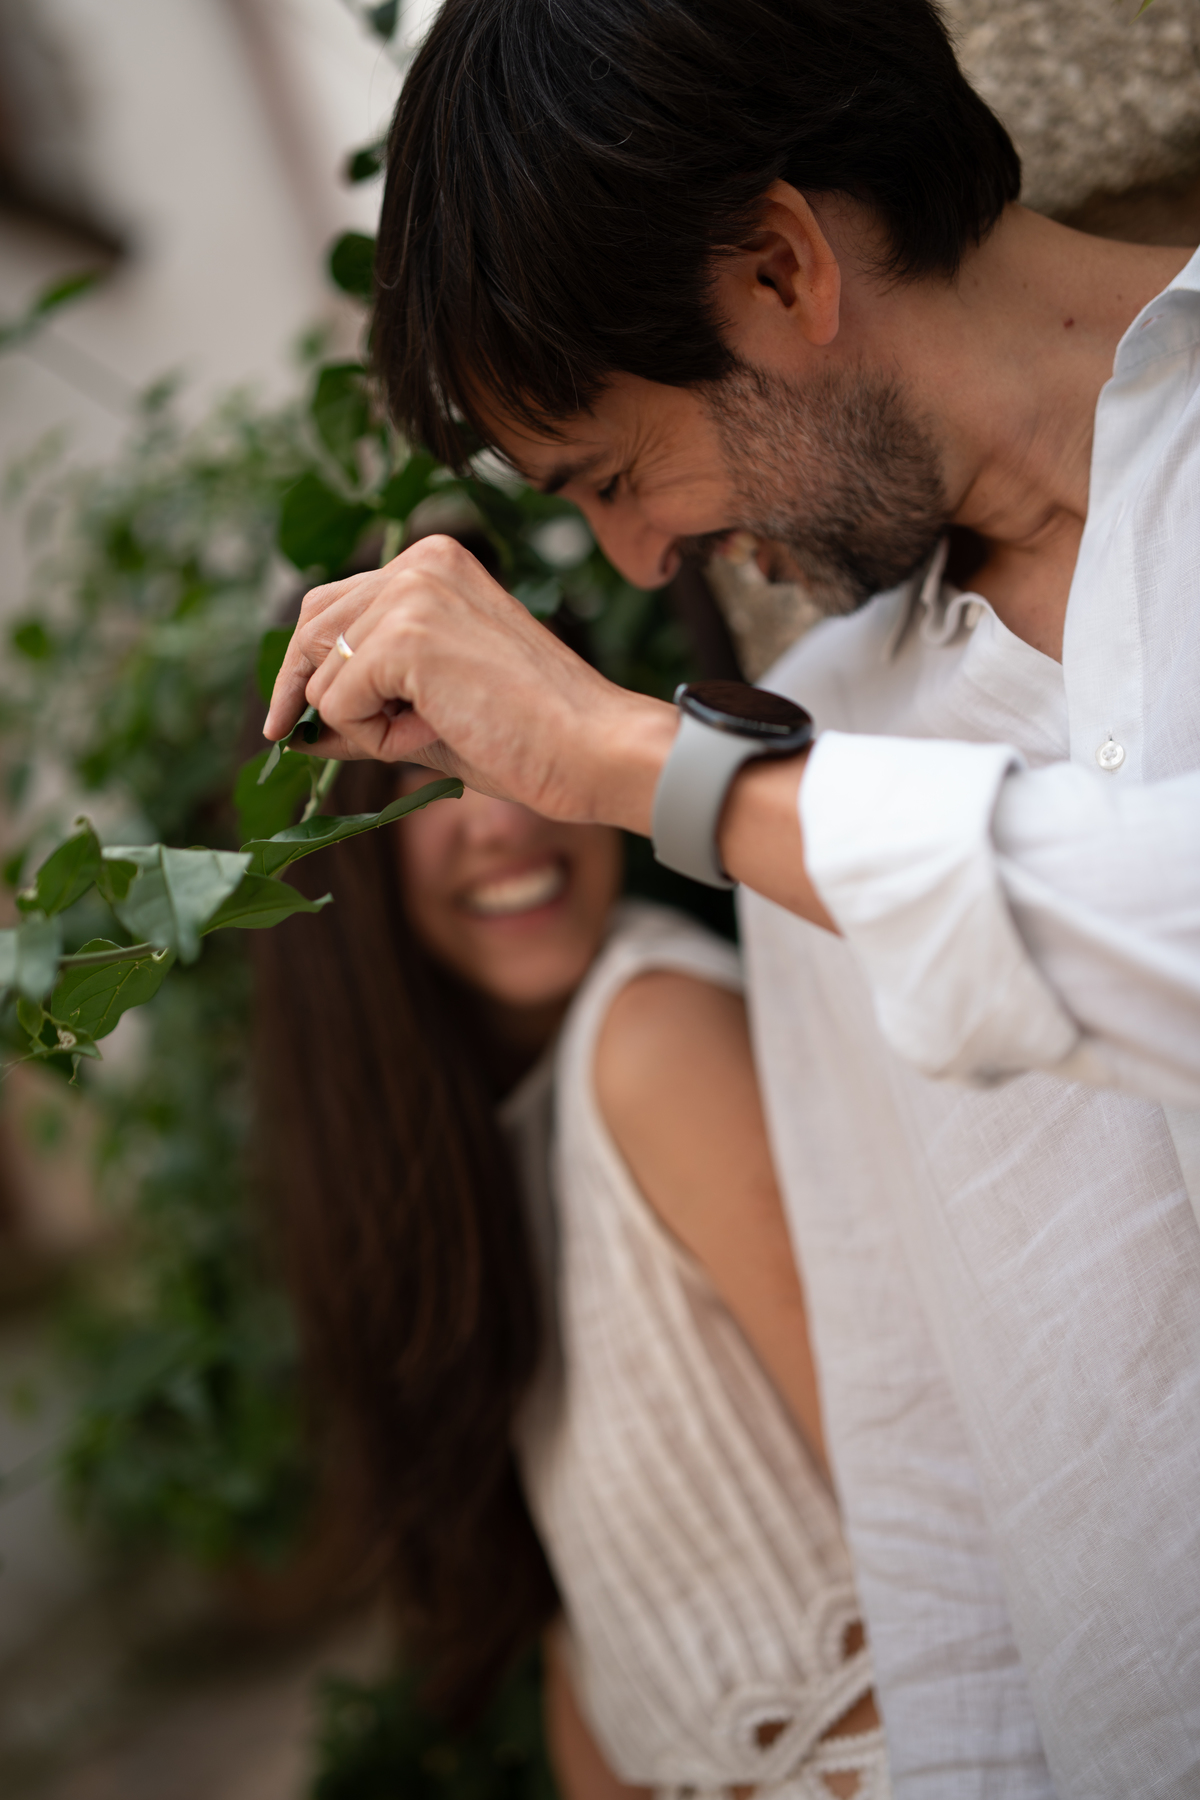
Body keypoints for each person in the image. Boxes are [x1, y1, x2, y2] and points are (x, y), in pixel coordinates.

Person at [264, 2, 1200, 1794]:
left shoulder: (742, 789)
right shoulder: (813, 750)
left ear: (778, 267)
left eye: (616, 476)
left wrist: (641, 763)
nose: (638, 562)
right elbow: (931, 1501)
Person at [256, 748, 889, 1800]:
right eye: (424, 778)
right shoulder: (472, 1161)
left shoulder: (651, 1038)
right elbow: (587, 1656)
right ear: (332, 852)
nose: (498, 818)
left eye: (496, 734)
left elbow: (928, 1496)